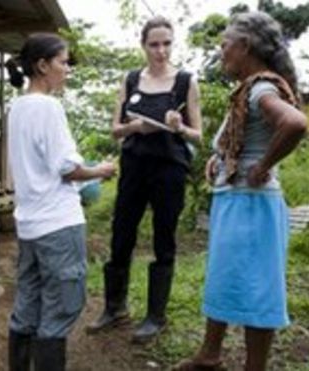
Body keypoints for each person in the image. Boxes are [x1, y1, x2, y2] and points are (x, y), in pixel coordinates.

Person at [174, 11, 307, 371]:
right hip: (237, 202)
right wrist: (221, 160)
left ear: (245, 46)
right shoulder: (250, 88)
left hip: (252, 206)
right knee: (225, 277)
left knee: (257, 287)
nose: (222, 53)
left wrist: (262, 166)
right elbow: (244, 140)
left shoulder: (261, 87)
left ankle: (254, 366)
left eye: (225, 46)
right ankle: (210, 353)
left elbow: (294, 124)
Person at [87, 16, 203, 343]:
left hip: (169, 168)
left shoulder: (185, 82)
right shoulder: (131, 79)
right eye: (154, 44)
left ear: (172, 44)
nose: (161, 51)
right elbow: (114, 129)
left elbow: (198, 136)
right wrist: (137, 127)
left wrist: (179, 127)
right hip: (134, 165)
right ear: (143, 45)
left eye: (166, 43)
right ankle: (114, 307)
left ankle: (156, 316)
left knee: (163, 238)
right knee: (121, 232)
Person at [4, 33, 116, 371]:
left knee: (27, 303)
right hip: (58, 224)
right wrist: (102, 170)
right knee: (61, 307)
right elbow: (67, 169)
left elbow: (40, 167)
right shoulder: (49, 107)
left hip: (29, 225)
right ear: (42, 65)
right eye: (63, 63)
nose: (68, 70)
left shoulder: (16, 108)